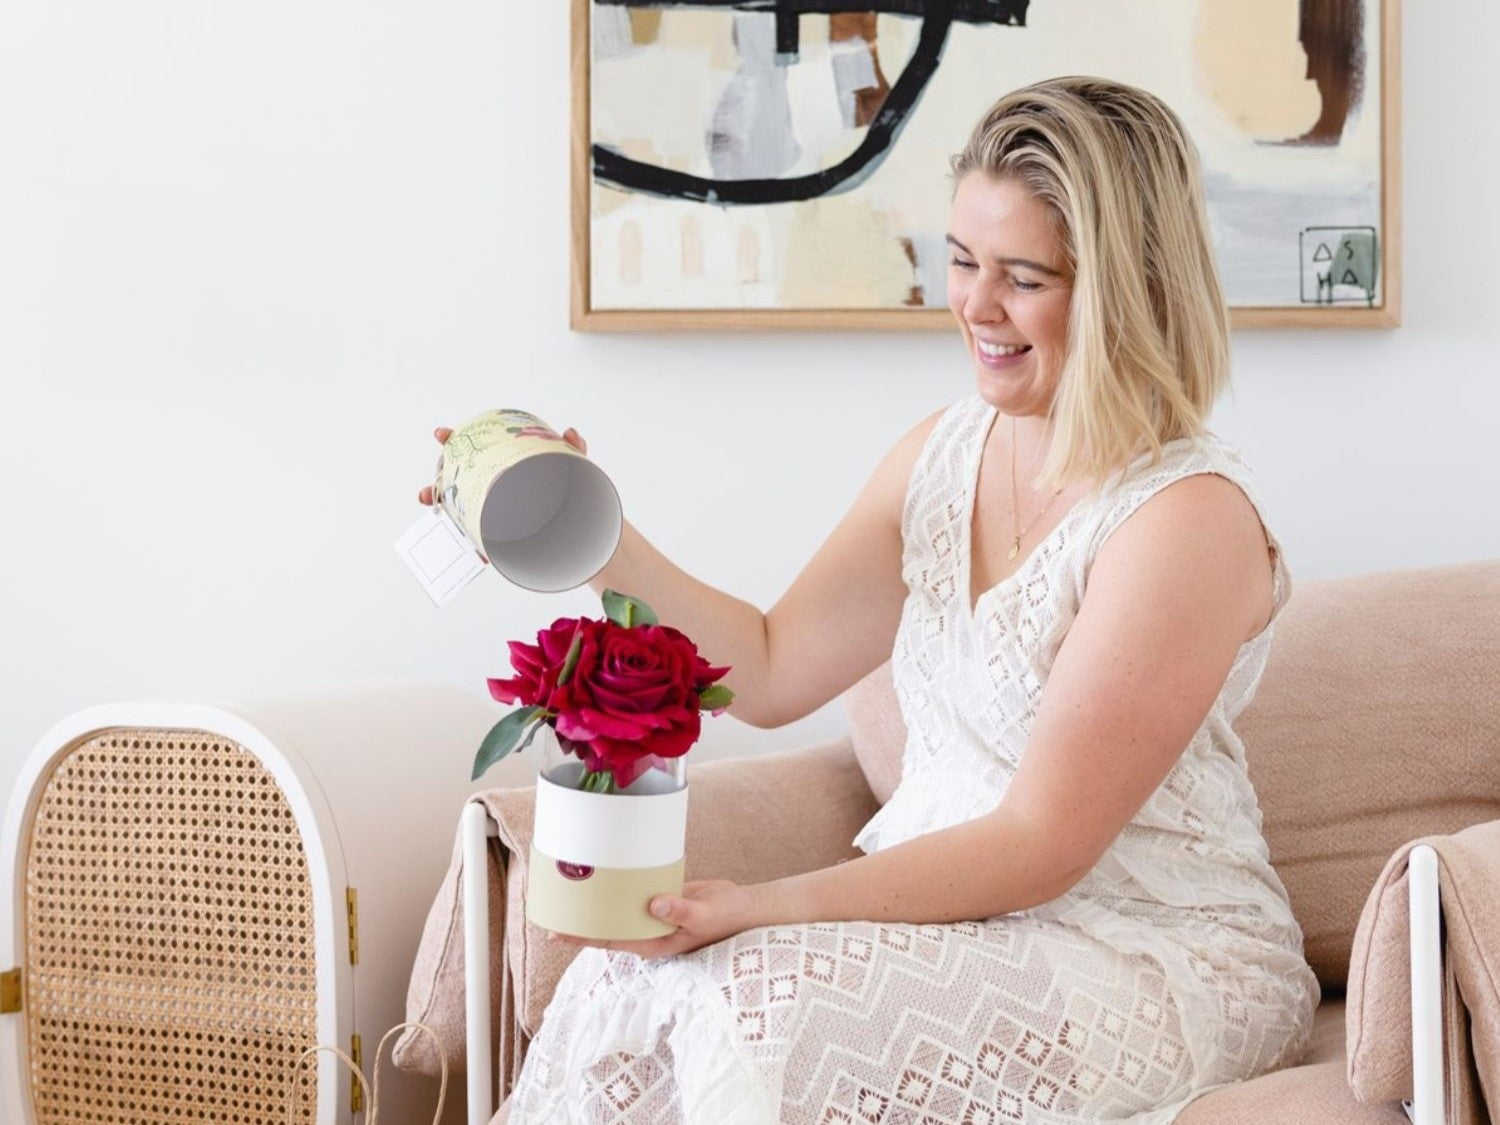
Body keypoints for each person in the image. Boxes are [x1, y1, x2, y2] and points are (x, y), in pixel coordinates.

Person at [417, 76, 1319, 1124]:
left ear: (1126, 287)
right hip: (966, 931)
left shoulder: (1182, 522)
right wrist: (587, 529)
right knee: (619, 984)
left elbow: (1041, 841)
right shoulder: (939, 458)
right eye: (963, 260)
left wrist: (760, 911)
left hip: (1154, 951)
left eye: (1024, 278)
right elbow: (763, 669)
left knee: (754, 1006)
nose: (976, 307)